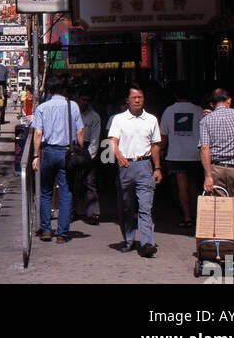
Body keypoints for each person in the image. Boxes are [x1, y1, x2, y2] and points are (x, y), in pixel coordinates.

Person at [108, 85, 163, 258]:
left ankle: (147, 243)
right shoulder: (119, 119)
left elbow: (155, 146)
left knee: (145, 207)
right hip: (126, 167)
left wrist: (157, 168)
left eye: (140, 97)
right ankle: (129, 240)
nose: (137, 100)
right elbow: (112, 140)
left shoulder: (152, 119)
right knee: (127, 206)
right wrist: (118, 155)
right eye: (134, 98)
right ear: (128, 100)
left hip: (145, 166)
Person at [30, 75, 84, 243]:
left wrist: (35, 155)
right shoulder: (73, 106)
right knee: (66, 193)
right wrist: (79, 151)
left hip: (48, 152)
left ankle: (46, 230)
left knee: (46, 191)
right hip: (67, 153)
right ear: (64, 89)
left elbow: (38, 133)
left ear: (50, 90)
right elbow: (80, 132)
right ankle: (62, 233)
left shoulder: (42, 108)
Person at [199, 87, 234, 257]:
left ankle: (222, 247)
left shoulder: (205, 121)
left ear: (212, 104)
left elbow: (205, 148)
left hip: (216, 168)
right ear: (229, 100)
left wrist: (208, 175)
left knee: (220, 207)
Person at [159, 82, 202, 229]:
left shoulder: (169, 111)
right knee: (194, 185)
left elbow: (163, 136)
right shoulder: (199, 110)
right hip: (195, 154)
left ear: (175, 95)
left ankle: (187, 217)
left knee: (181, 185)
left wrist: (162, 150)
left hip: (176, 154)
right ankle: (197, 216)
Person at [72, 90, 102, 224]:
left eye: (86, 100)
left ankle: (93, 213)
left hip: (88, 150)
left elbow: (96, 137)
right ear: (77, 98)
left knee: (90, 182)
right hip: (74, 149)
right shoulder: (71, 114)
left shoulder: (94, 116)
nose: (84, 103)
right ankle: (72, 211)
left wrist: (89, 155)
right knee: (73, 182)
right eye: (82, 99)